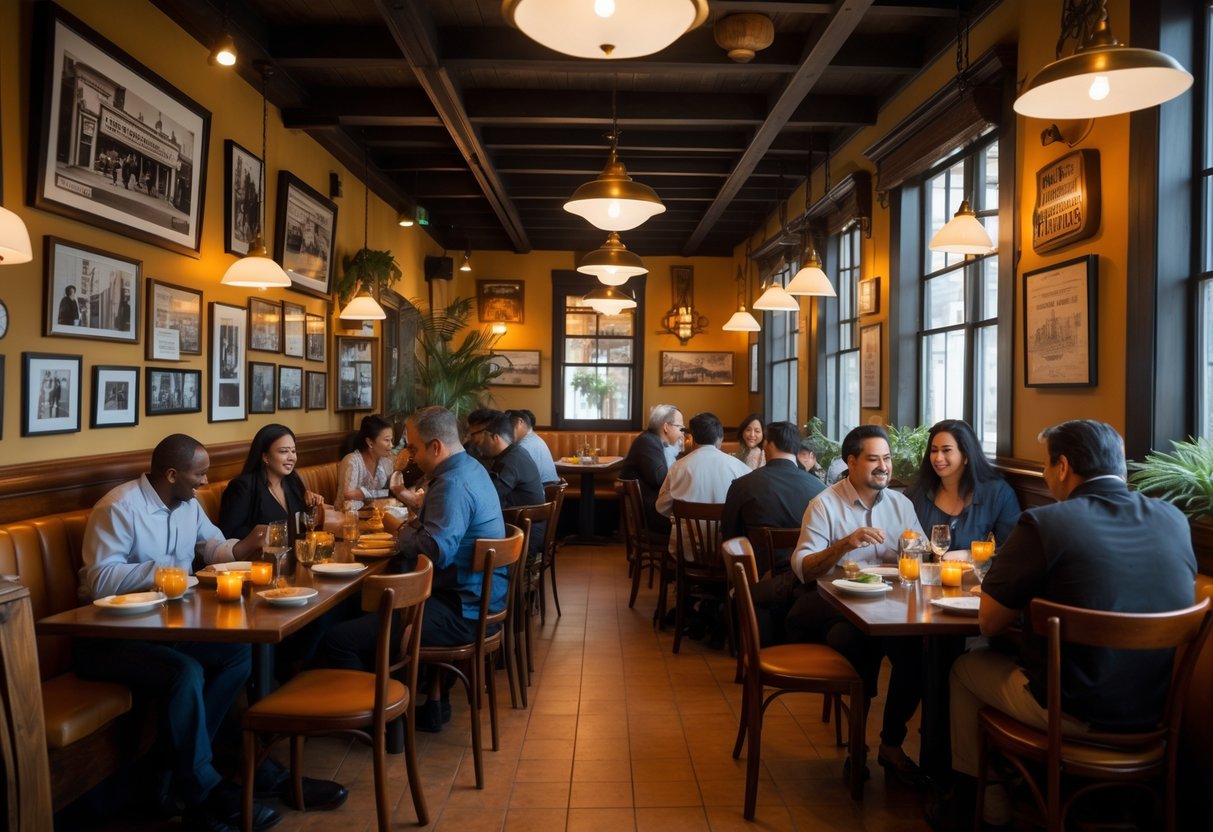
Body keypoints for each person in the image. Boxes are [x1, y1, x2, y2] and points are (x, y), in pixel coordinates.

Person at [934, 420, 1198, 829]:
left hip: (1072, 710)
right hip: (1156, 709)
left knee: (964, 669)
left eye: (1043, 466)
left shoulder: (1047, 522)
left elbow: (988, 622)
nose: (1042, 475)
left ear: (1062, 466)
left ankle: (978, 805)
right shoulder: (1173, 520)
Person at [73, 435, 286, 831]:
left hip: (165, 627)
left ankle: (178, 771)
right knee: (183, 672)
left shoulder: (188, 505)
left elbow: (214, 547)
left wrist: (246, 546)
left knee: (239, 653)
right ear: (172, 474)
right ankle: (203, 789)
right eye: (199, 474)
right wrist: (163, 572)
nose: (205, 481)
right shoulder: (119, 508)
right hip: (107, 637)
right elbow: (99, 580)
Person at [323, 407, 506, 733]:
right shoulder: (471, 468)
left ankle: (381, 725)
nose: (408, 454)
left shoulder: (451, 483)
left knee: (339, 638)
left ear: (436, 447)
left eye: (413, 447)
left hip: (462, 609)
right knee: (359, 609)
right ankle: (426, 705)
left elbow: (435, 550)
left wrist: (400, 530)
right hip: (480, 599)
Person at [783, 425, 927, 787]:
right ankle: (856, 748)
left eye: (888, 459)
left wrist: (910, 551)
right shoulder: (825, 504)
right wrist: (844, 545)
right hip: (838, 606)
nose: (884, 467)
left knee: (917, 653)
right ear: (851, 462)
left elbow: (923, 554)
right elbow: (803, 568)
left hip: (891, 606)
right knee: (854, 642)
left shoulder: (901, 503)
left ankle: (891, 744)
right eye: (874, 459)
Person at [721, 421, 825, 578]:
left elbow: (730, 535)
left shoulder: (742, 485)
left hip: (756, 578)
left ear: (768, 445)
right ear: (796, 448)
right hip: (806, 579)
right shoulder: (820, 489)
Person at [905, 419, 1021, 551]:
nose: (938, 458)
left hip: (979, 571)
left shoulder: (998, 494)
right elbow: (903, 543)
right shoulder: (916, 493)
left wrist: (970, 556)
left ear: (966, 455)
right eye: (934, 450)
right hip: (924, 571)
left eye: (946, 450)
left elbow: (1012, 550)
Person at [219, 423, 325, 543]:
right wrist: (267, 535)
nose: (292, 457)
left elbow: (301, 528)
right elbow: (228, 534)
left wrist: (312, 507)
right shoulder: (243, 487)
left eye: (293, 451)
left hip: (295, 557)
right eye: (284, 451)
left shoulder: (293, 481)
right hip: (261, 559)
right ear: (265, 457)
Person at [619, 403, 685, 536]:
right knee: (694, 522)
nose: (682, 433)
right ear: (666, 427)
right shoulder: (648, 443)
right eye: (680, 428)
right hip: (653, 514)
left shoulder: (655, 442)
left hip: (655, 507)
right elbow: (659, 479)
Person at [466, 409, 545, 510]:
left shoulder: (511, 460)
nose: (471, 440)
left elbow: (489, 498)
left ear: (495, 437)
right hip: (514, 519)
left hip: (522, 524)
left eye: (474, 435)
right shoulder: (514, 453)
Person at [336, 414, 395, 510]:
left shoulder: (387, 463)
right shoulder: (352, 461)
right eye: (387, 440)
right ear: (370, 443)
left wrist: (364, 494)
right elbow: (347, 502)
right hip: (346, 520)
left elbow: (391, 493)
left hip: (376, 518)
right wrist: (377, 501)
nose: (391, 445)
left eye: (391, 440)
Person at [508, 408, 559, 484]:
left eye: (509, 425)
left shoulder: (523, 445)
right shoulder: (536, 439)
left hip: (543, 489)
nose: (507, 430)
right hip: (551, 487)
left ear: (520, 423)